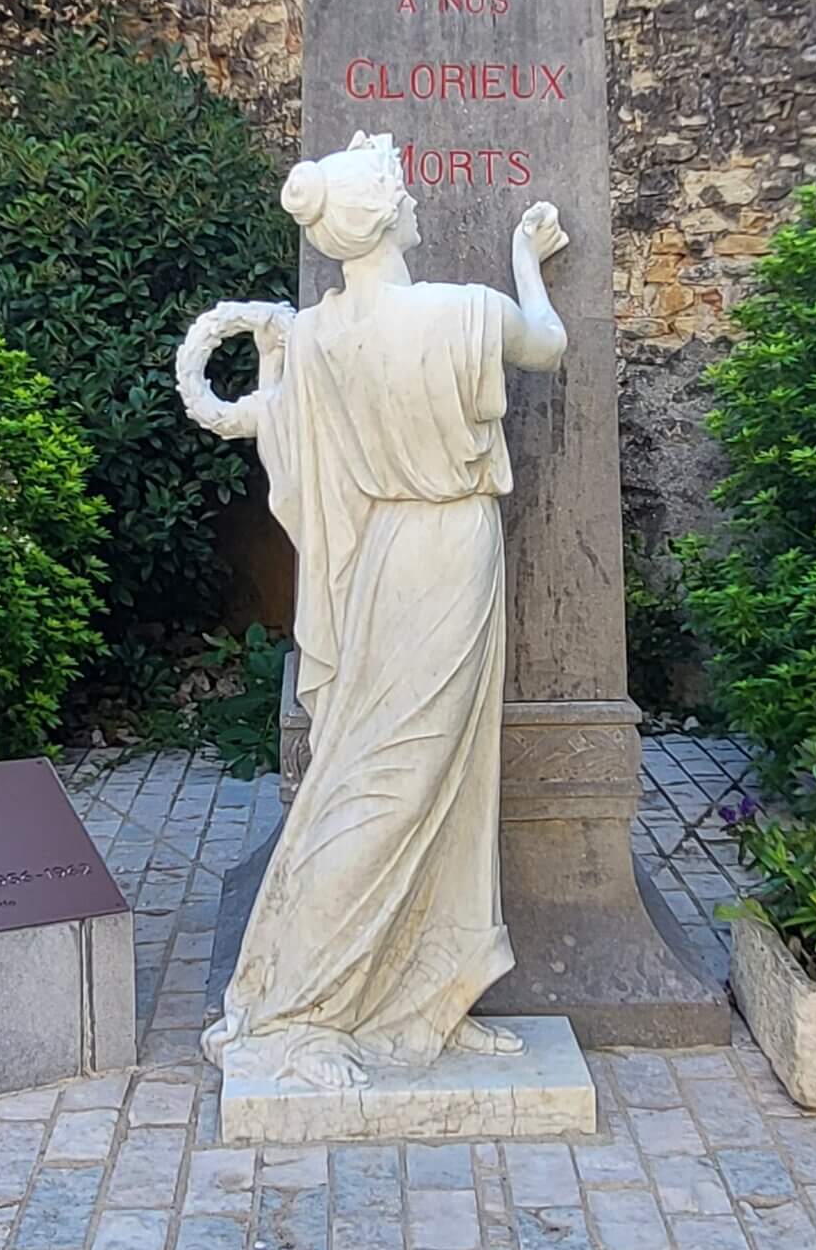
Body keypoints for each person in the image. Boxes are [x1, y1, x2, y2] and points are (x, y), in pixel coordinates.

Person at [190, 130, 568, 1092]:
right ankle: (298, 1012)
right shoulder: (463, 310)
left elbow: (287, 434)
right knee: (392, 782)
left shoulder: (318, 337)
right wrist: (526, 256)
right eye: (405, 192)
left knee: (425, 778)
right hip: (446, 546)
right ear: (389, 216)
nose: (416, 201)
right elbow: (547, 343)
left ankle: (417, 996)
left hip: (377, 557)